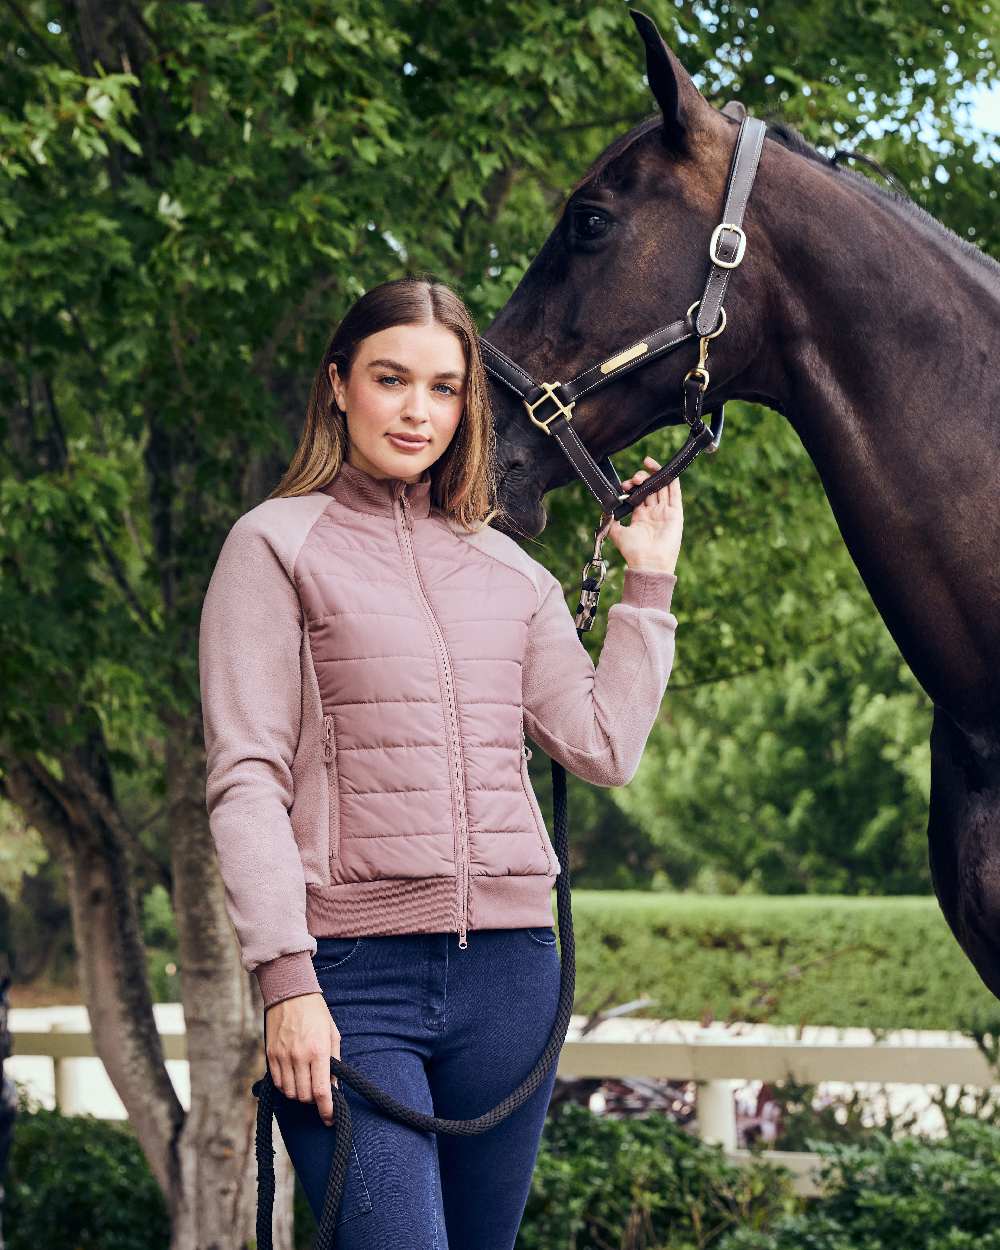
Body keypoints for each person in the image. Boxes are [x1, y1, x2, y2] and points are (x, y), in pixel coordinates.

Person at [197, 274, 683, 1249]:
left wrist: (648, 584)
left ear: (467, 405)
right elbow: (248, 778)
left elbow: (600, 746)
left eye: (444, 387)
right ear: (339, 385)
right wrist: (286, 981)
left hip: (511, 981)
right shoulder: (274, 546)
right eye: (391, 379)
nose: (417, 410)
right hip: (349, 980)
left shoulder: (508, 570)